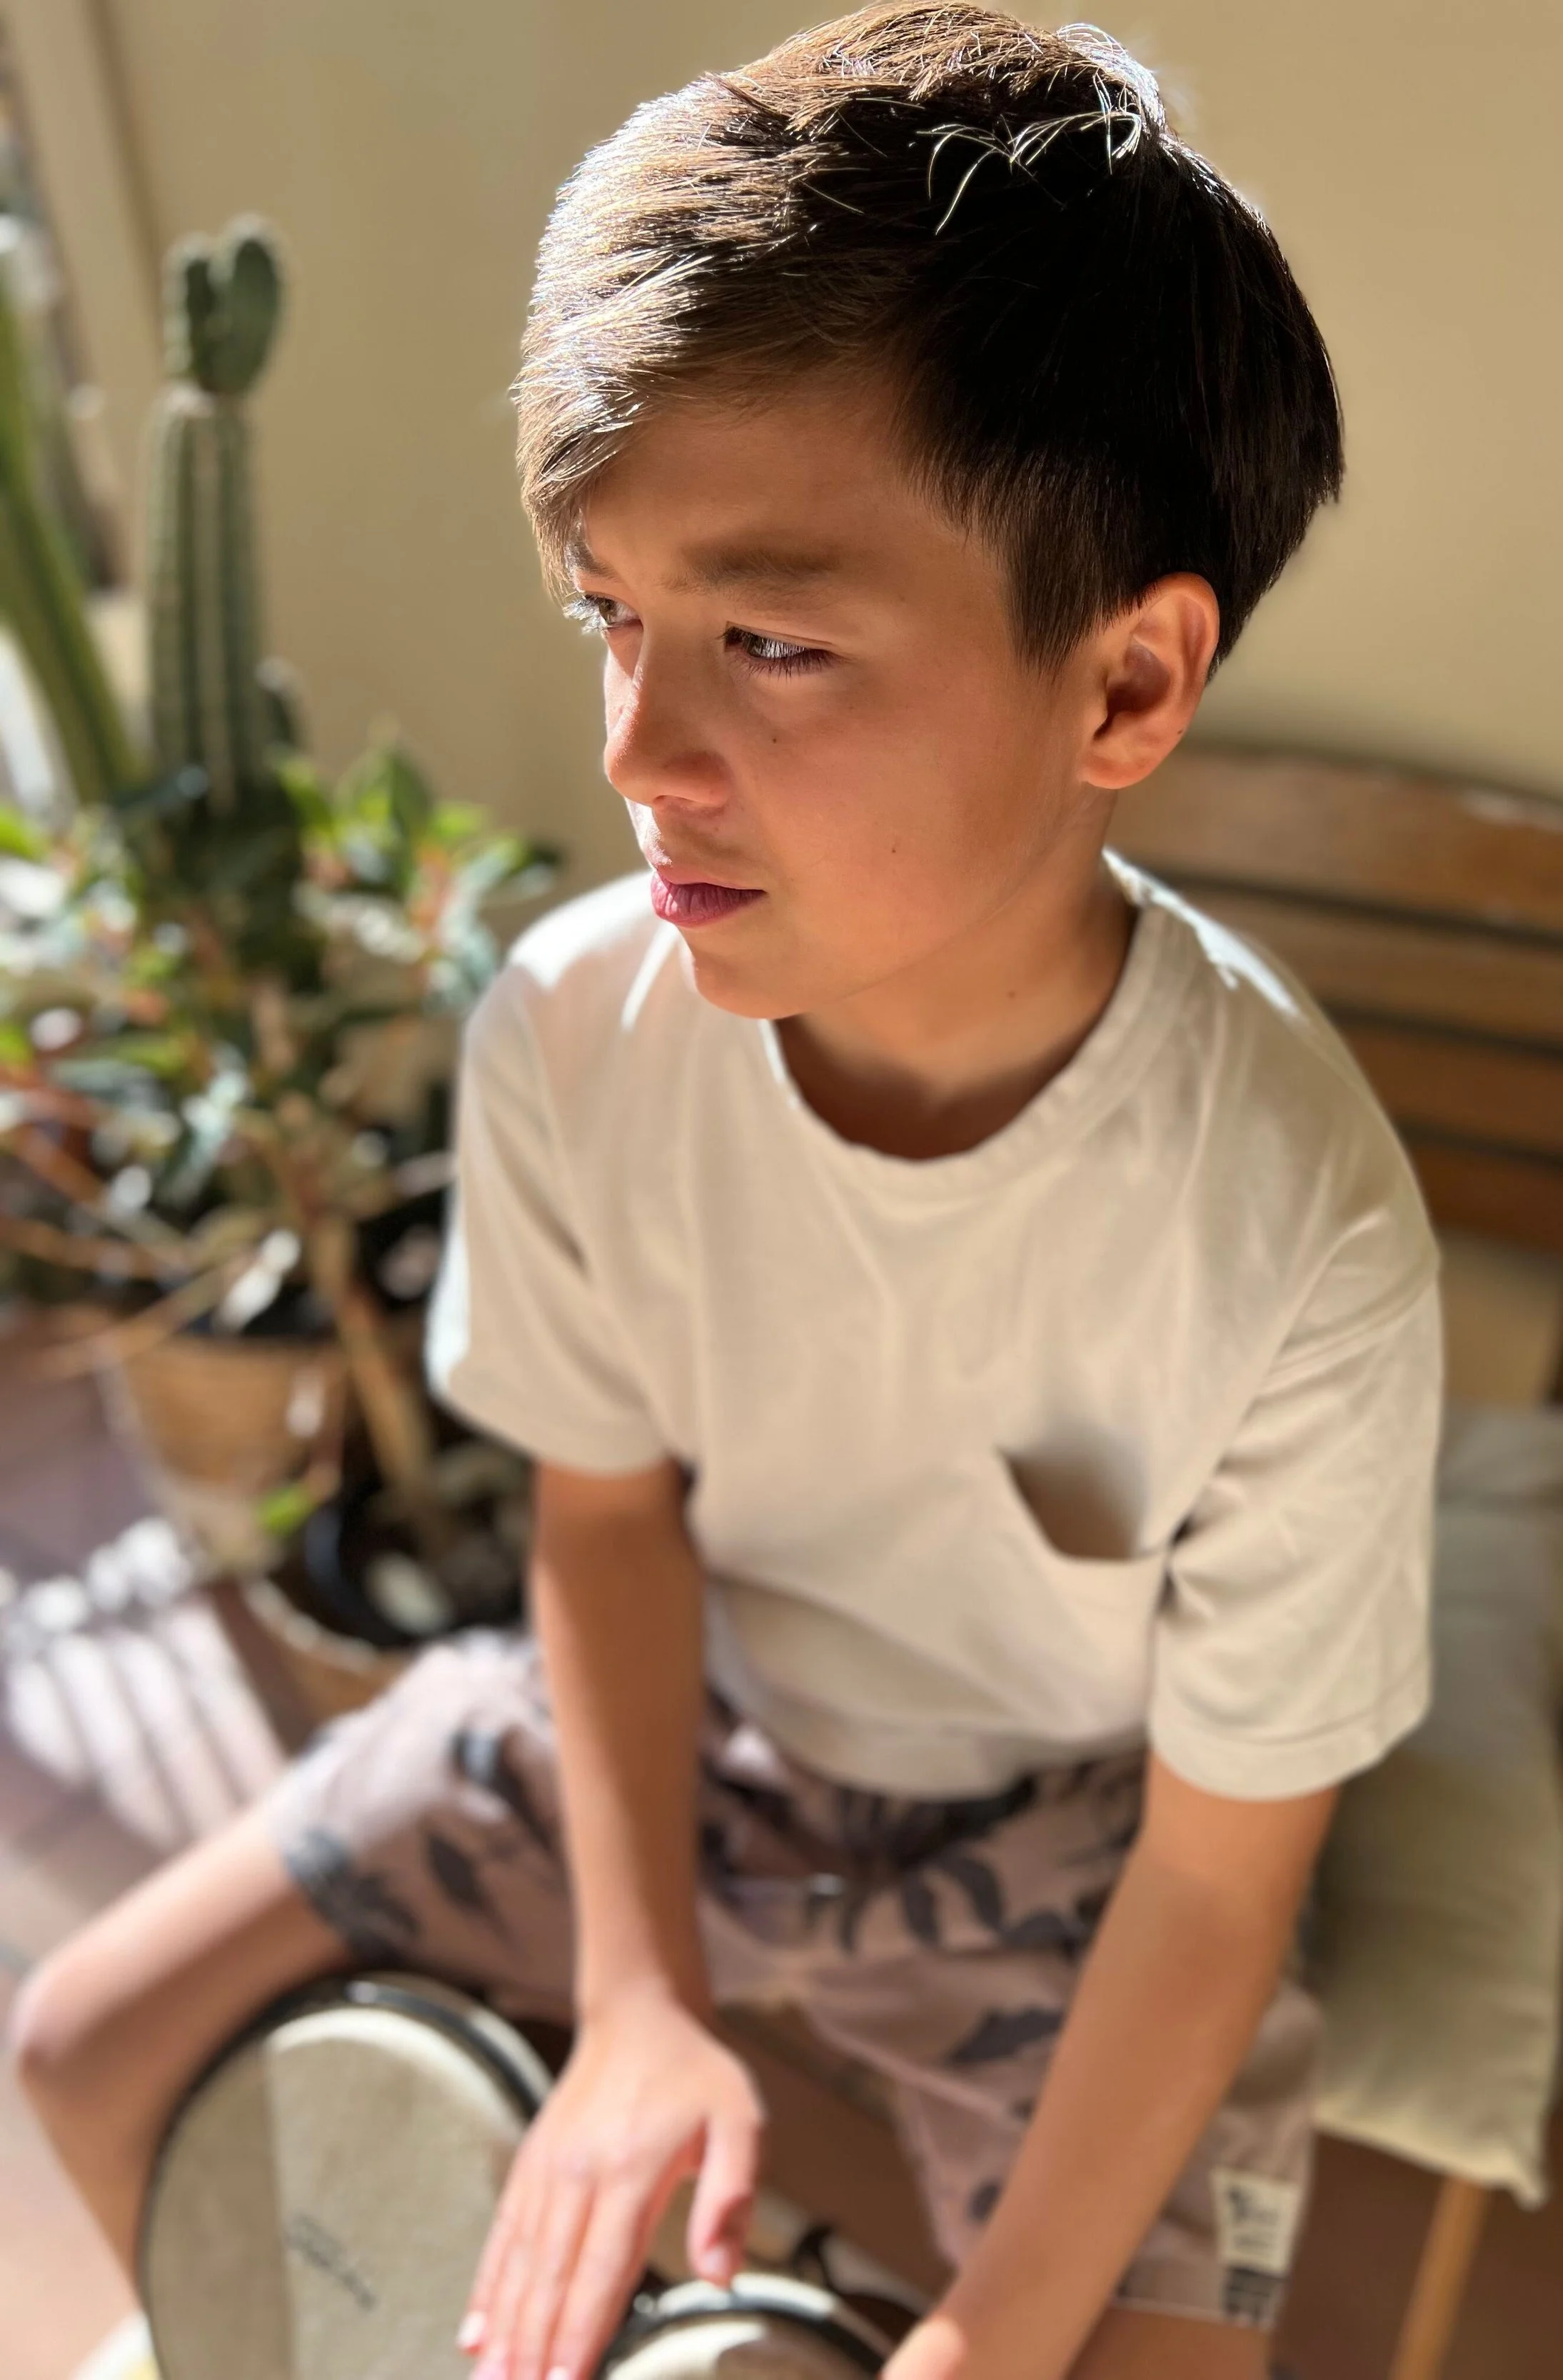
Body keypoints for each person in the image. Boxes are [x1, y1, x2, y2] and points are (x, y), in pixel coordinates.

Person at [6, 9, 1444, 2378]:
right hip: (696, 1726)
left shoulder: (1289, 1230)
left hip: (1076, 1839)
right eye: (611, 613)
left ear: (1123, 685)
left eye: (768, 641)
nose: (637, 750)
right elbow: (602, 1522)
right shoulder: (577, 1028)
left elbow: (1214, 1870)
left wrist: (978, 2332)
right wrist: (638, 2000)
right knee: (84, 2040)